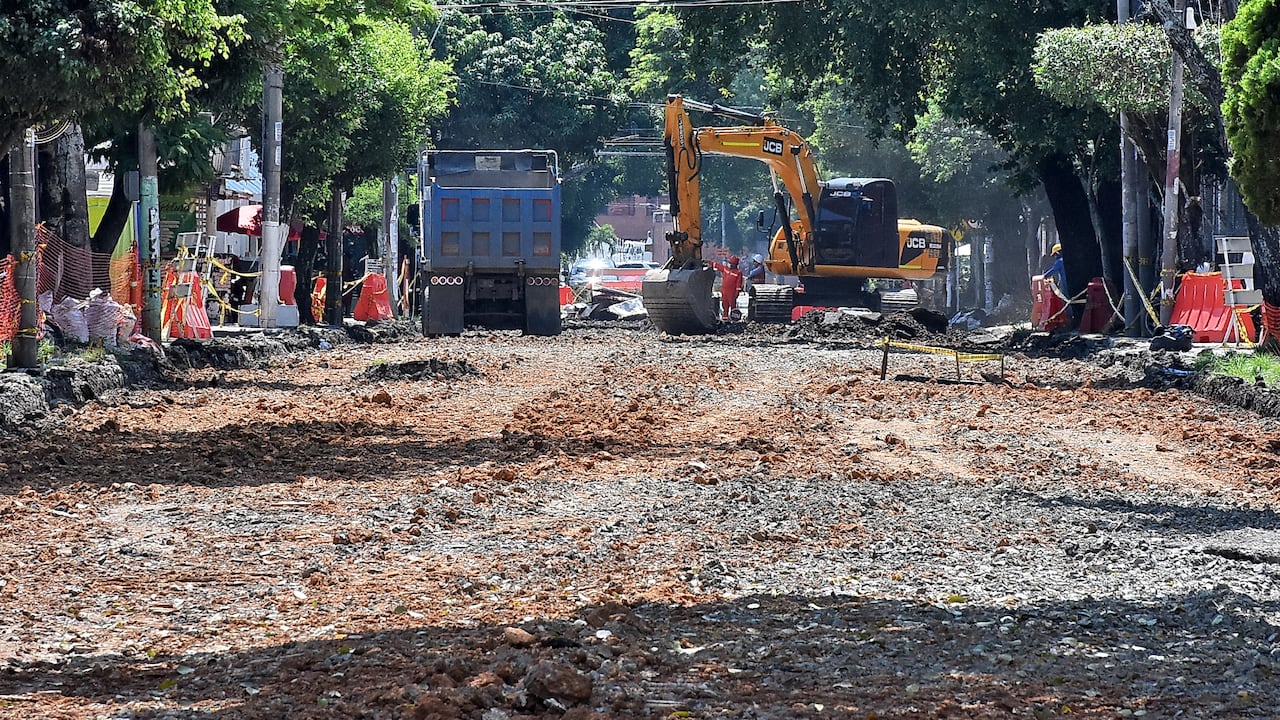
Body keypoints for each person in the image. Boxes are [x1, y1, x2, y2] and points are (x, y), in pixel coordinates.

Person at [709, 254, 745, 320]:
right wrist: (709, 262)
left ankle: (734, 320)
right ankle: (725, 318)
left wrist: (737, 293)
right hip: (724, 291)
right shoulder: (726, 269)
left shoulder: (738, 273)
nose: (729, 264)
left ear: (735, 264)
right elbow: (718, 266)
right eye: (729, 263)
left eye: (731, 263)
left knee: (733, 306)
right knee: (724, 305)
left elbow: (738, 285)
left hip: (732, 293)